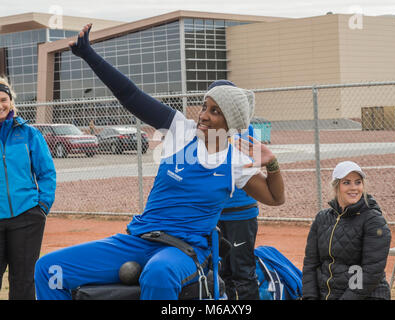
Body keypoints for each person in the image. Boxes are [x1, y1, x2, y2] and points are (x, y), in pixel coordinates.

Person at [34, 24, 285, 300]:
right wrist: (88, 54)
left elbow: (275, 198)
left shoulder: (235, 161)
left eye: (215, 111)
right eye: (204, 106)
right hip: (139, 239)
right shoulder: (180, 130)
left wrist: (271, 164)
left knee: (158, 272)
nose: (203, 115)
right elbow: (130, 95)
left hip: (183, 251)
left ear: (230, 122)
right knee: (49, 268)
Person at [0, 76, 56, 300]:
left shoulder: (29, 134)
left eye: (3, 99)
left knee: (23, 281)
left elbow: (46, 173)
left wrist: (42, 206)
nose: (0, 105)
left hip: (26, 217)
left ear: (11, 101)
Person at [302, 161, 391, 300]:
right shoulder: (322, 219)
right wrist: (310, 297)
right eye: (347, 182)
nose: (354, 188)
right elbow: (310, 264)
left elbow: (372, 271)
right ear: (336, 186)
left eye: (358, 182)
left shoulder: (373, 221)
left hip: (366, 295)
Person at [208, 80, 260, 300]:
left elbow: (250, 167)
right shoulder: (208, 130)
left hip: (240, 211)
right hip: (216, 213)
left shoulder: (244, 131)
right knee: (220, 272)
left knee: (243, 271)